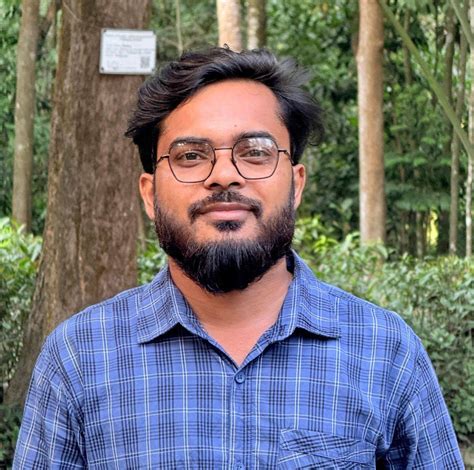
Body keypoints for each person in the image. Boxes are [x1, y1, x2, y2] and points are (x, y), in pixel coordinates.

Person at [14, 47, 463, 469]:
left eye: (255, 153)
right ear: (150, 195)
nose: (224, 175)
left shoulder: (385, 351)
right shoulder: (80, 357)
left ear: (296, 184)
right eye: (191, 156)